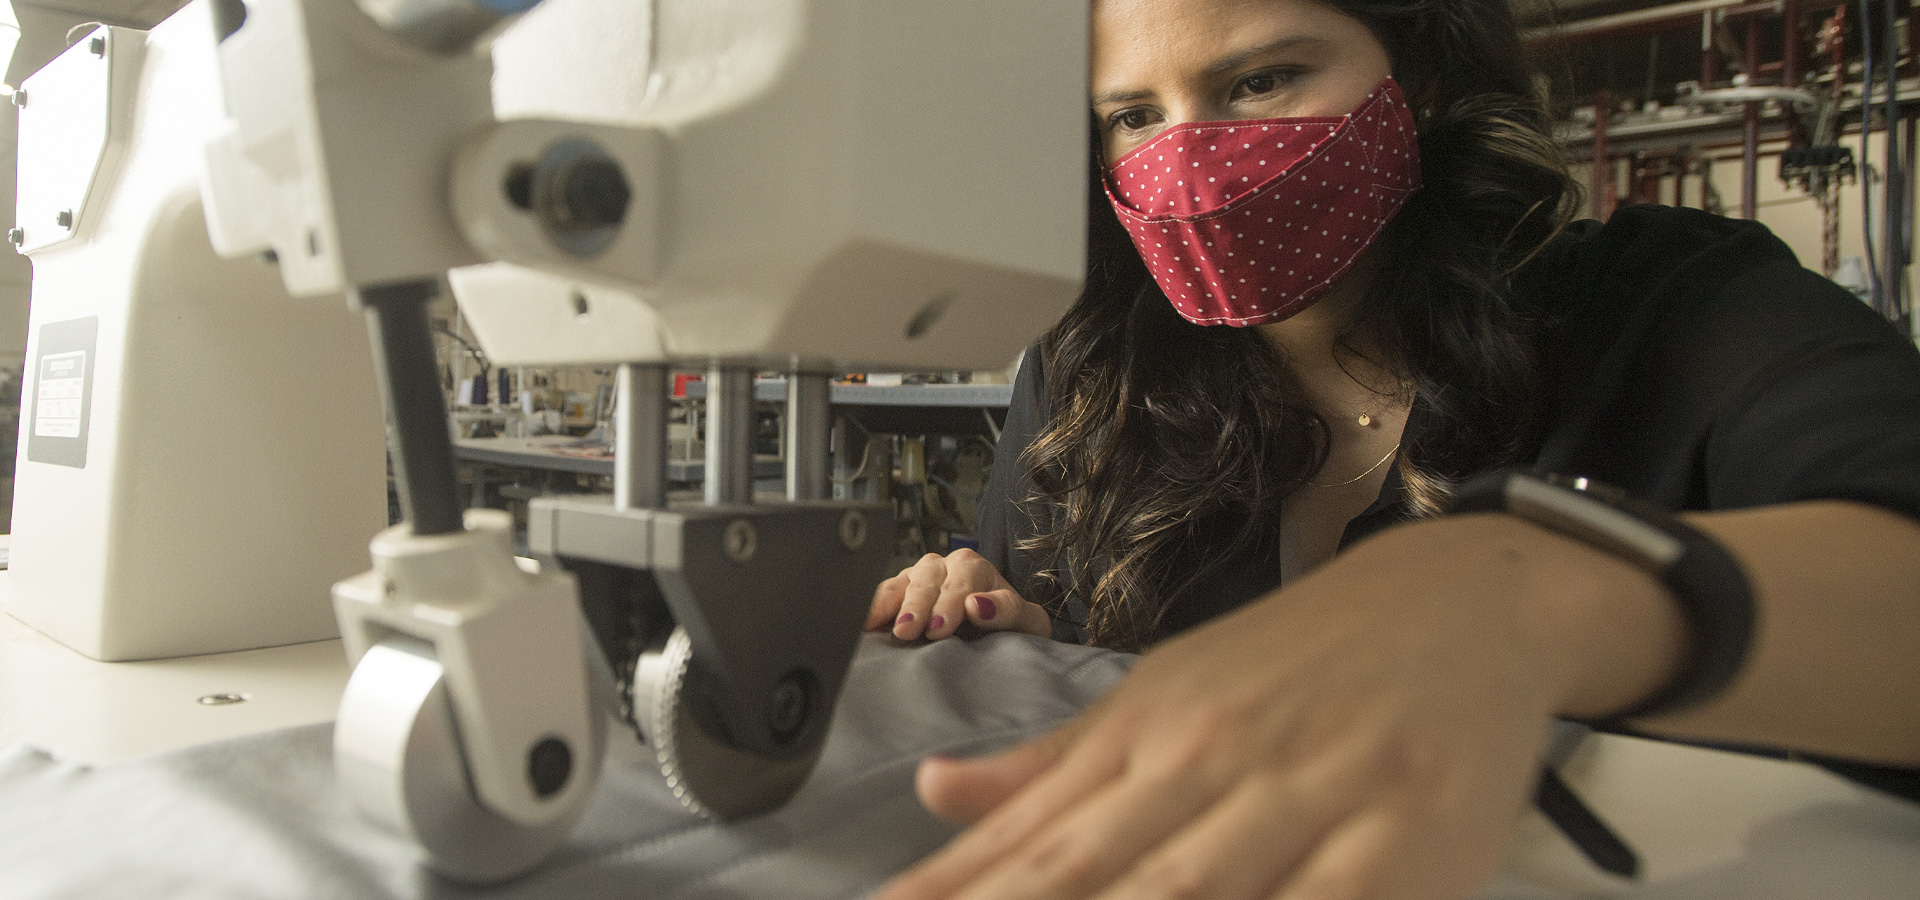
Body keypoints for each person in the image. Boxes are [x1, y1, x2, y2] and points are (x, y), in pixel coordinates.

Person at [865, 0, 1920, 898]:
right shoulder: (1092, 376)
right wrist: (1020, 627)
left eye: (1262, 81)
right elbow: (1074, 641)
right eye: (1134, 115)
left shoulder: (1674, 308)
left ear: (1418, 76)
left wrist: (1537, 599)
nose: (1189, 162)